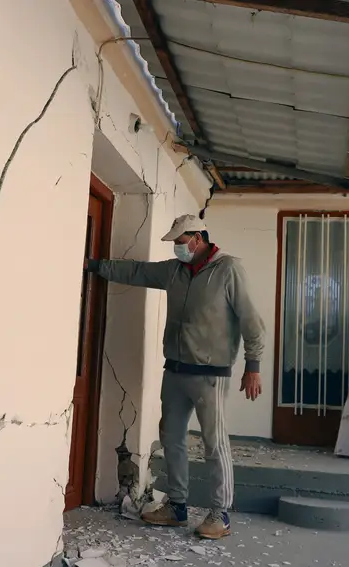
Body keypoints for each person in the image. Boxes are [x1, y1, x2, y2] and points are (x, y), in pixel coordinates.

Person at [85, 213, 265, 540]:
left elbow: (251, 320)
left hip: (212, 375)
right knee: (172, 439)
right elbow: (139, 271)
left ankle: (219, 514)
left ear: (198, 238)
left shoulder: (228, 270)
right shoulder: (175, 271)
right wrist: (97, 266)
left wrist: (253, 366)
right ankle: (177, 506)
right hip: (176, 371)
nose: (178, 249)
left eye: (181, 243)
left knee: (214, 444)